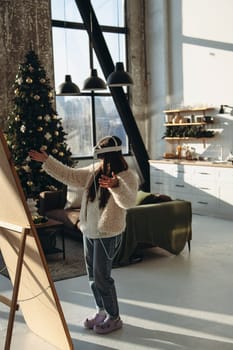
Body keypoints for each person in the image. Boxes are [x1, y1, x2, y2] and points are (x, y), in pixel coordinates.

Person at [29, 135, 138, 334]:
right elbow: (69, 175)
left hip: (108, 233)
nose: (101, 161)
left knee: (102, 277)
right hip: (89, 231)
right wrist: (48, 161)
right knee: (92, 277)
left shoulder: (127, 176)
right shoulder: (93, 171)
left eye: (103, 157)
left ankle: (115, 317)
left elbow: (128, 202)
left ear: (112, 155)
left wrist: (116, 186)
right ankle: (101, 310)